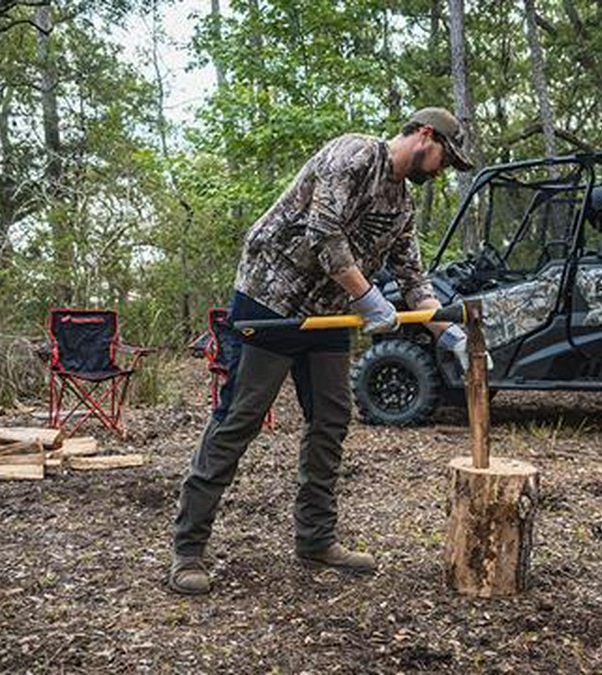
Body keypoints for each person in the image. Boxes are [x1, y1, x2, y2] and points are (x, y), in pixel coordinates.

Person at [169, 108, 476, 595]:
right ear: (424, 136)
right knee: (240, 418)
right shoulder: (354, 153)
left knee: (332, 418)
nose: (441, 170)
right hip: (272, 301)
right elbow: (324, 233)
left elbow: (414, 280)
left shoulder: (401, 205)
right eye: (444, 157)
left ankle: (315, 538)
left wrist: (450, 333)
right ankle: (189, 548)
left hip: (329, 312)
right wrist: (369, 298)